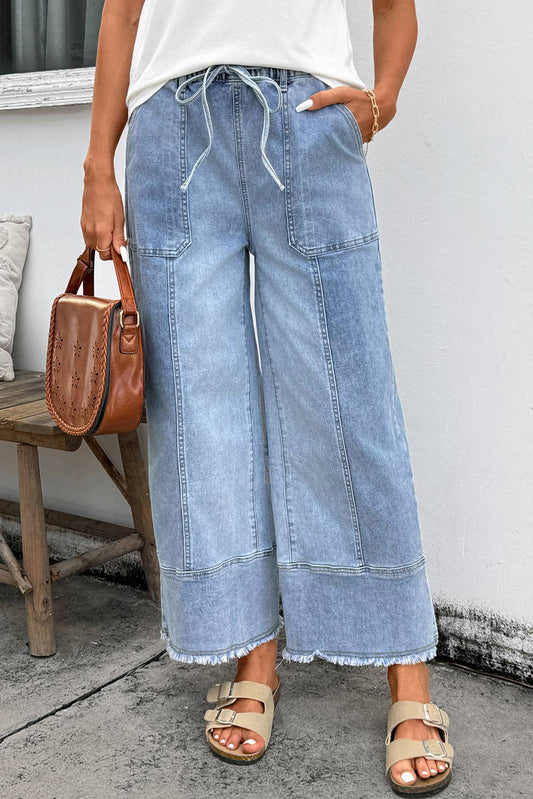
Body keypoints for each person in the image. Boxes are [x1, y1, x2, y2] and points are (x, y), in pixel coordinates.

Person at [81, 1, 454, 793]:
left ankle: (408, 677)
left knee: (350, 403)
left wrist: (379, 98)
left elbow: (396, 8)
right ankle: (253, 651)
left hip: (304, 120)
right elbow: (120, 13)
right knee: (200, 417)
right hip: (170, 135)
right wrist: (96, 166)